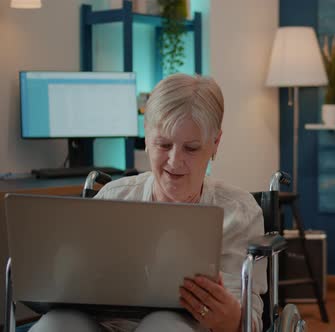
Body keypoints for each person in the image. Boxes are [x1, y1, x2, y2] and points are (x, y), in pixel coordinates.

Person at [29, 74, 267, 332]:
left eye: (191, 148)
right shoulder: (113, 197)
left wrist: (233, 320)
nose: (175, 161)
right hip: (105, 325)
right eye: (164, 144)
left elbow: (250, 322)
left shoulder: (239, 213)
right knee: (54, 325)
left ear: (215, 143)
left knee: (163, 325)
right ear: (146, 137)